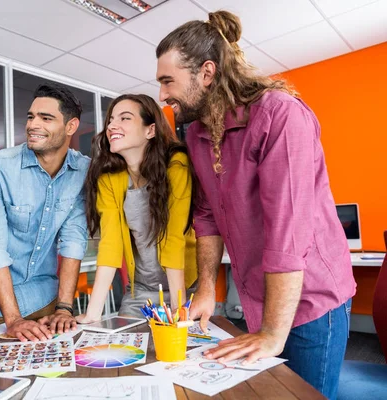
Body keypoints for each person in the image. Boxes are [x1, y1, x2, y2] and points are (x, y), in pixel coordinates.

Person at [155, 10, 356, 399]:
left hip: (312, 299)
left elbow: (288, 231)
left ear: (207, 73)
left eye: (168, 81)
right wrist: (207, 290)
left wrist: (273, 333)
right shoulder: (197, 133)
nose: (163, 95)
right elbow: (208, 214)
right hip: (259, 297)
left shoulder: (279, 115)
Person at [76, 94, 197, 323]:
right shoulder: (109, 178)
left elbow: (173, 237)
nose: (112, 125)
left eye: (125, 118)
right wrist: (93, 315)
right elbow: (110, 245)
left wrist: (178, 309)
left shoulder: (176, 164)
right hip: (140, 290)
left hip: (184, 286)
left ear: (150, 130)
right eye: (111, 119)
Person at [0, 84, 90, 342]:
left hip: (47, 303)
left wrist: (65, 308)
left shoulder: (82, 170)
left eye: (46, 118)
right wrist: (13, 319)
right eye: (31, 116)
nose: (33, 124)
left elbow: (73, 240)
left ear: (71, 126)